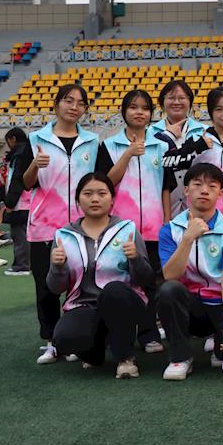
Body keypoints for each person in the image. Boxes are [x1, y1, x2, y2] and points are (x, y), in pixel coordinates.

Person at [19, 83, 99, 364]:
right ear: (56, 104)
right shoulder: (35, 140)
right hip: (44, 227)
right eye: (68, 100)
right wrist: (35, 165)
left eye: (80, 102)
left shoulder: (92, 141)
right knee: (46, 287)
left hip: (82, 227)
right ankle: (52, 341)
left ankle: (76, 339)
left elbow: (97, 182)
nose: (74, 106)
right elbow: (25, 183)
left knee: (80, 285)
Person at [47, 172, 153, 379]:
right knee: (64, 338)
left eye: (102, 193)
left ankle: (126, 358)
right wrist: (57, 267)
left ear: (112, 199)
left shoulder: (127, 229)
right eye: (88, 194)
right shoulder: (64, 236)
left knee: (113, 291)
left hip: (123, 301)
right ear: (78, 200)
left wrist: (135, 259)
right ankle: (95, 353)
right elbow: (55, 288)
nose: (95, 199)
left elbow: (145, 278)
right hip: (83, 305)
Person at [96, 90, 174, 354]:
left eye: (144, 108)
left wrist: (166, 220)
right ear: (124, 111)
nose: (139, 112)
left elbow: (166, 186)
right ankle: (121, 334)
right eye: (133, 107)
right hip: (119, 228)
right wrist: (128, 153)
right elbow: (106, 182)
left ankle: (149, 333)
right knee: (120, 280)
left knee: (150, 281)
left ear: (151, 113)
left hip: (153, 227)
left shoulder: (162, 145)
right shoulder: (108, 145)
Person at [157, 163, 223, 380]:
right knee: (168, 290)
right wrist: (187, 238)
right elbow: (170, 275)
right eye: (197, 185)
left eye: (212, 186)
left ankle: (219, 341)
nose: (204, 191)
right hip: (188, 306)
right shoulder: (170, 230)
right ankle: (180, 357)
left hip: (218, 304)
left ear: (220, 193)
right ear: (186, 190)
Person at [163, 87, 223, 223]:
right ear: (210, 112)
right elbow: (168, 162)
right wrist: (197, 147)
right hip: (201, 216)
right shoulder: (196, 138)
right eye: (219, 109)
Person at [149, 79, 207, 216]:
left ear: (190, 101)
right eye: (171, 98)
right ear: (162, 102)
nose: (176, 102)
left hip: (199, 205)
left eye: (182, 98)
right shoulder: (150, 133)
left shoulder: (204, 131)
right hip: (162, 205)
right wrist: (167, 136)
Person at [2, 127, 33, 276]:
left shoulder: (19, 155)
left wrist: (10, 201)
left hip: (21, 200)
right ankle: (27, 264)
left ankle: (22, 265)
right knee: (27, 233)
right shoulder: (28, 151)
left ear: (13, 139)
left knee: (19, 234)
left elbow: (16, 179)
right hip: (28, 199)